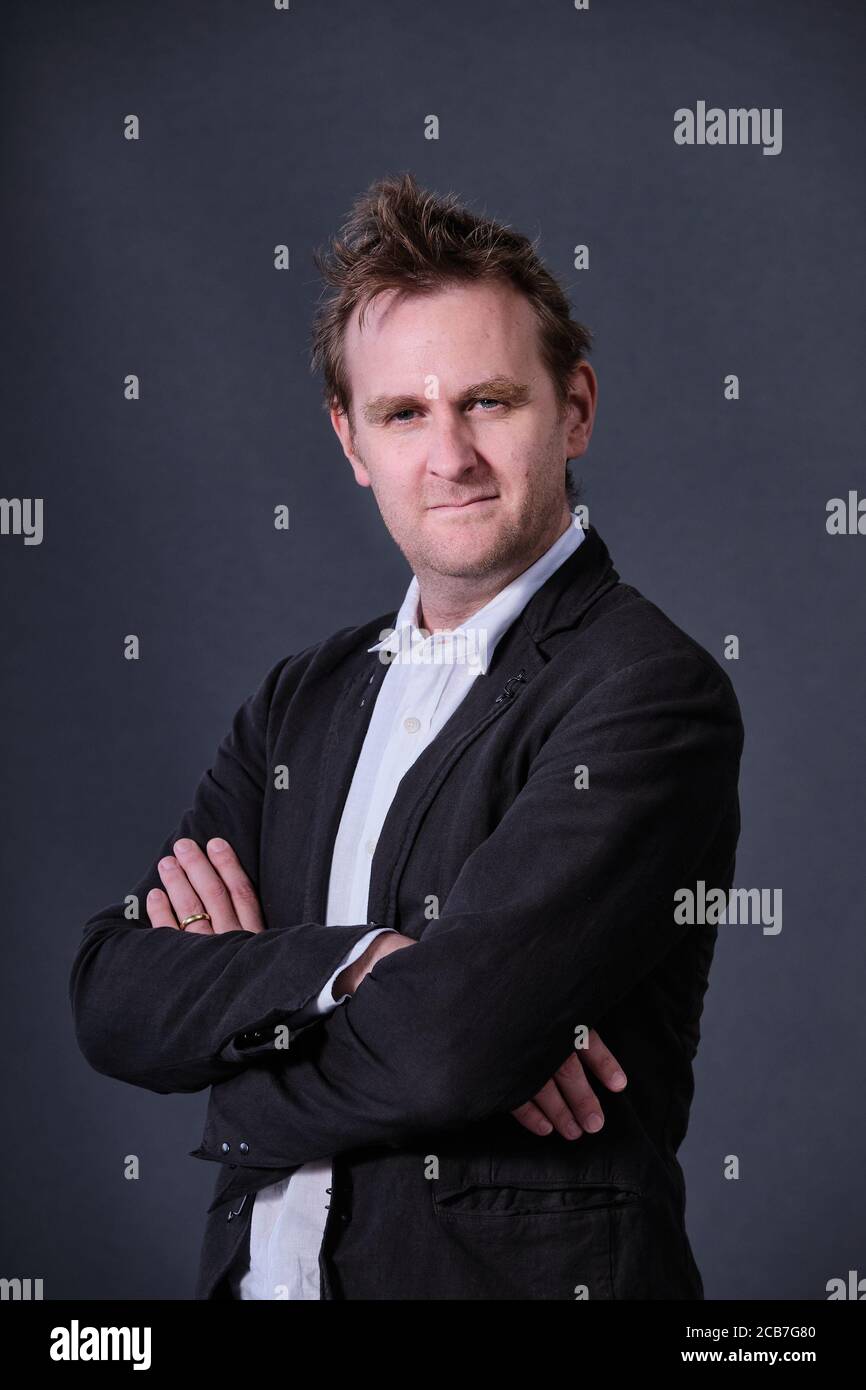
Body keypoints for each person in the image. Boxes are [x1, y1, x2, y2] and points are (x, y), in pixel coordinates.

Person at [70, 172, 744, 1300]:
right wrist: (363, 965)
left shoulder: (643, 690)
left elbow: (448, 1049)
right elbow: (110, 994)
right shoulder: (301, 699)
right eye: (401, 413)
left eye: (486, 401)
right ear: (349, 440)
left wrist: (237, 1040)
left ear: (572, 406)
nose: (449, 456)